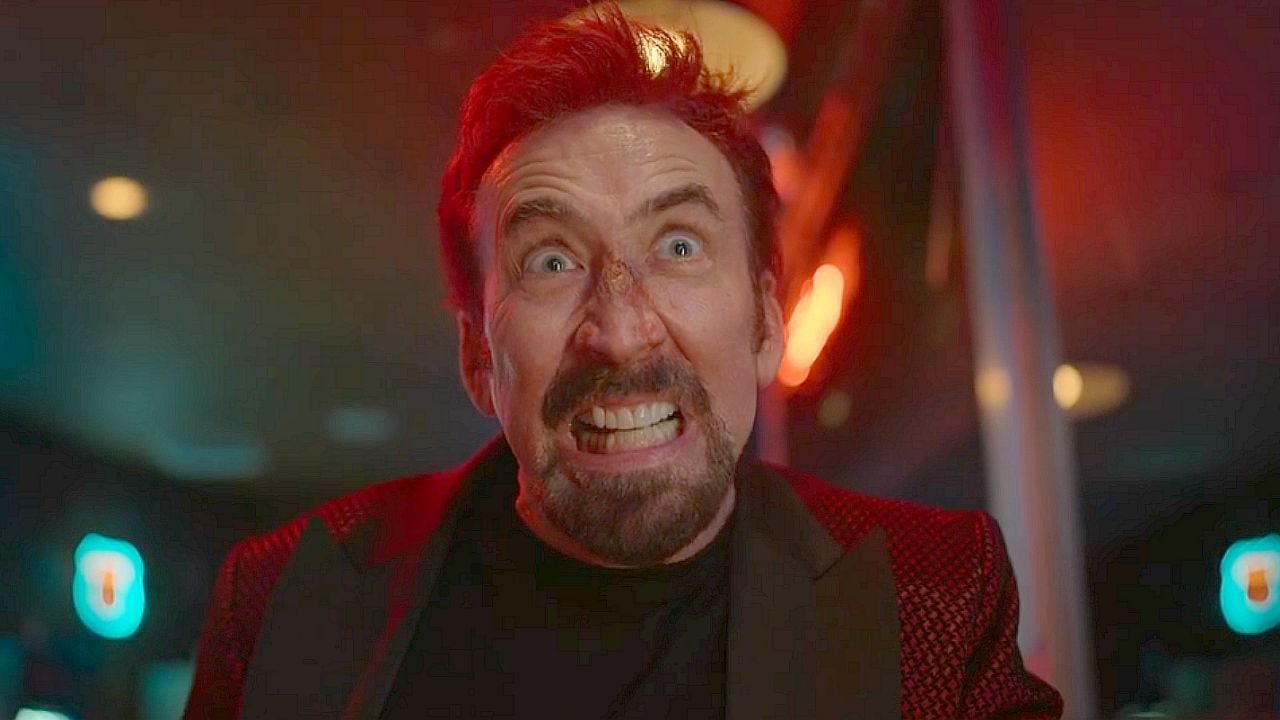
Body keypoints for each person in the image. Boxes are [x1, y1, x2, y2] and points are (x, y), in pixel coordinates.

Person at [183, 7, 1062, 720]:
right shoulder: (283, 597)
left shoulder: (936, 593)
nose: (621, 329)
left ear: (765, 320)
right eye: (551, 261)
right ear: (476, 355)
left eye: (678, 246)